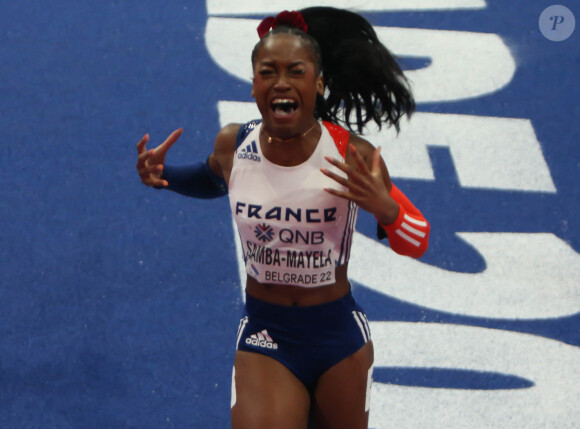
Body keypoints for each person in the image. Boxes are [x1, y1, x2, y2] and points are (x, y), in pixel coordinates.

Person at [136, 7, 430, 429]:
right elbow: (211, 178)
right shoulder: (233, 145)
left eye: (296, 71)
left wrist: (387, 211)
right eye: (268, 71)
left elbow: (417, 239)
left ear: (319, 81)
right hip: (266, 335)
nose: (281, 83)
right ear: (254, 84)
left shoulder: (351, 156)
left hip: (338, 339)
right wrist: (163, 177)